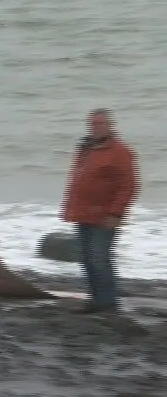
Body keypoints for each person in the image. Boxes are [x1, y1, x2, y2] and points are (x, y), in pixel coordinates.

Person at [61, 108, 140, 314]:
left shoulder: (120, 151)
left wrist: (115, 213)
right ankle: (96, 298)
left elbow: (128, 186)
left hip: (105, 216)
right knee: (86, 257)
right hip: (83, 213)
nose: (95, 128)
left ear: (110, 125)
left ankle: (107, 301)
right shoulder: (86, 149)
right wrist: (70, 207)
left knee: (100, 257)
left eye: (100, 124)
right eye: (92, 124)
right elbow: (78, 181)